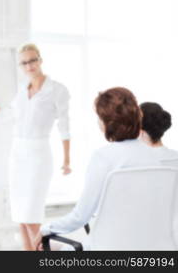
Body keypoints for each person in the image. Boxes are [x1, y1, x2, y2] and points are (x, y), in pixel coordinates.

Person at [34, 87, 163, 250]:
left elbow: (80, 217)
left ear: (106, 123)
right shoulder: (155, 159)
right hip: (148, 248)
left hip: (108, 247)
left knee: (46, 246)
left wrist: (46, 229)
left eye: (99, 118)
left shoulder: (103, 157)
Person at [0, 43, 71, 250]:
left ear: (40, 60)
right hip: (18, 155)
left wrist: (67, 160)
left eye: (32, 60)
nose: (29, 65)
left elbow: (64, 127)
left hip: (39, 154)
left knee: (31, 213)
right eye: (24, 62)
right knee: (20, 214)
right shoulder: (21, 91)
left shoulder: (57, 90)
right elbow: (2, 116)